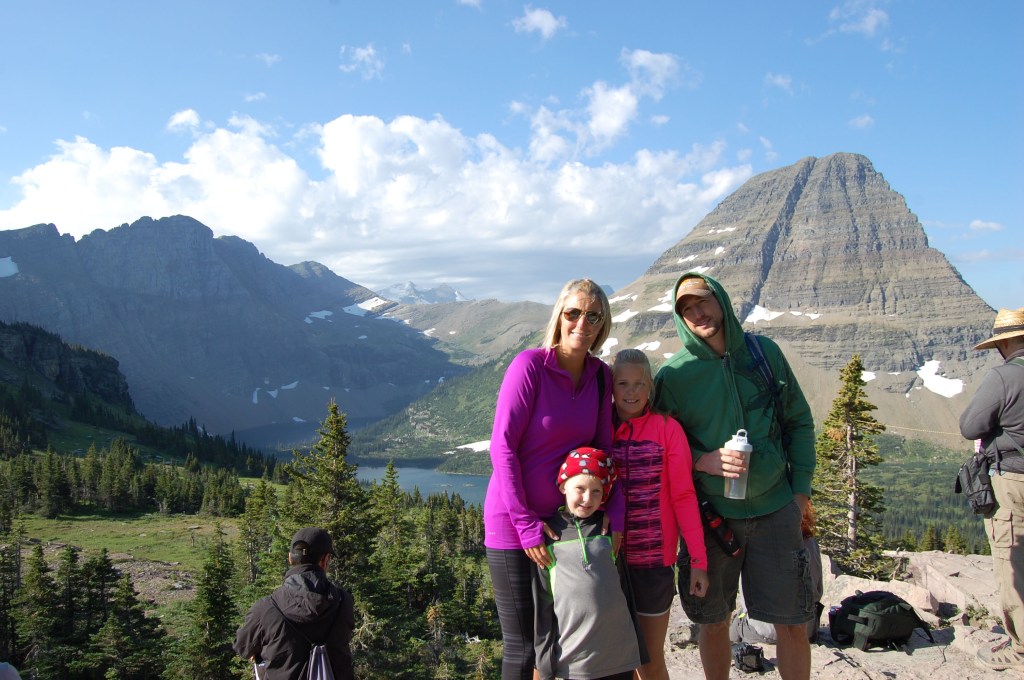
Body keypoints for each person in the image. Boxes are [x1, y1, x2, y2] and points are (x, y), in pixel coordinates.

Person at [653, 272, 816, 680]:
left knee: (793, 622)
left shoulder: (764, 354)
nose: (697, 313)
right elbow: (655, 444)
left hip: (776, 508)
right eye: (686, 309)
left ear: (720, 300)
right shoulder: (674, 376)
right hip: (711, 517)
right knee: (713, 621)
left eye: (702, 302)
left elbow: (799, 423)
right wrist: (700, 460)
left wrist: (799, 493)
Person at [484, 278, 621, 680]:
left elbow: (603, 452)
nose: (583, 322)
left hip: (564, 527)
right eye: (574, 313)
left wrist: (613, 507)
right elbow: (502, 447)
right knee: (523, 647)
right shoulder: (530, 366)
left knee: (560, 640)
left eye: (593, 315)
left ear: (603, 323)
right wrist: (526, 525)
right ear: (560, 316)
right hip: (513, 525)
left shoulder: (600, 377)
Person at [609, 348, 708, 680]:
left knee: (649, 662)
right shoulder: (601, 430)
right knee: (616, 662)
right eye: (623, 383)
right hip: (609, 562)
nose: (632, 392)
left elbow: (683, 496)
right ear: (612, 386)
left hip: (654, 564)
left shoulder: (667, 429)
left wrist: (698, 561)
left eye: (639, 384)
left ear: (650, 386)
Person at [534, 447, 640, 680]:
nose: (587, 498)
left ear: (604, 496)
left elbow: (623, 590)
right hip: (574, 662)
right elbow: (543, 604)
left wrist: (637, 646)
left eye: (596, 492)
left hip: (619, 657)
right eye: (579, 489)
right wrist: (544, 664)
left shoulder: (607, 530)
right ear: (563, 486)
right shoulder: (549, 535)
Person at [959, 306, 1024, 672]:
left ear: (1005, 343)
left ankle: (1021, 652)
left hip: (1014, 479)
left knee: (1013, 564)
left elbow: (971, 426)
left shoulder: (1004, 377)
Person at [234, 527, 355, 680]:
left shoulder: (266, 608)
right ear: (325, 560)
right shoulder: (344, 602)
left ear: (290, 558)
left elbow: (243, 648)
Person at [729, 501, 824, 645]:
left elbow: (746, 594)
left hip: (762, 630)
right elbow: (817, 591)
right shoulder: (810, 543)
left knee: (735, 624)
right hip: (805, 630)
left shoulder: (754, 542)